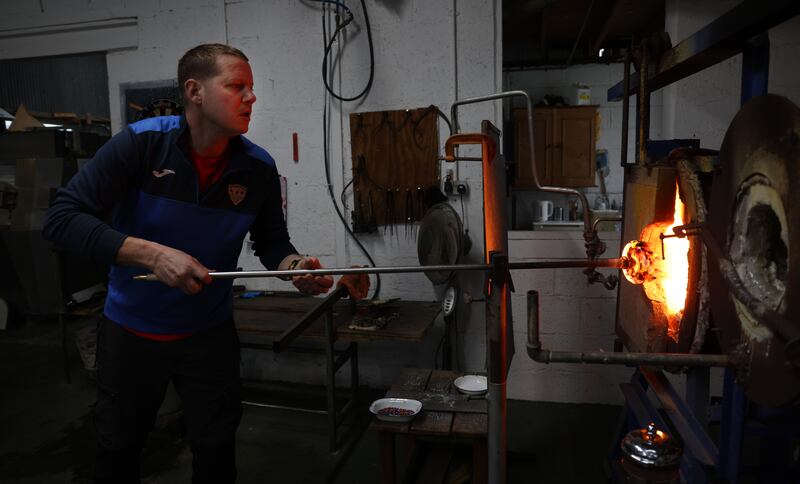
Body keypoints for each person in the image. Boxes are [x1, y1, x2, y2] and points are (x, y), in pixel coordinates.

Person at [43, 43, 368, 484]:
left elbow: (272, 242)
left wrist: (294, 267)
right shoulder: (141, 146)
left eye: (252, 88)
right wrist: (154, 255)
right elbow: (61, 219)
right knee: (119, 447)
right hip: (131, 334)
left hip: (207, 336)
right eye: (238, 86)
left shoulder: (257, 168)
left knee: (215, 451)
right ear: (194, 91)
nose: (252, 97)